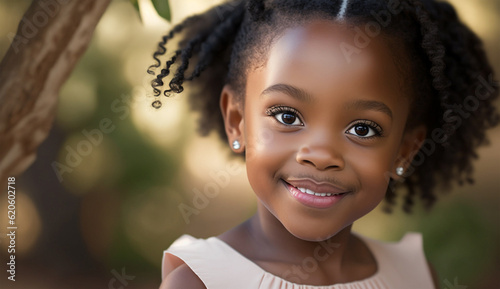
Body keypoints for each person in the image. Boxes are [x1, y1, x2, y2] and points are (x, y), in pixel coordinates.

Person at [147, 0, 499, 288]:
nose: (321, 155)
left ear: (404, 150)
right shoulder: (201, 282)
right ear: (237, 121)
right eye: (287, 116)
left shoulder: (416, 277)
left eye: (363, 129)